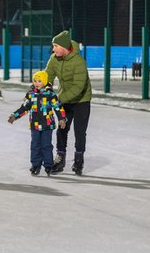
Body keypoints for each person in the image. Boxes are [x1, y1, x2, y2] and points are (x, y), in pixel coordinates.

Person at [45, 30, 92, 176]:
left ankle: (79, 160)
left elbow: (78, 87)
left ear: (64, 46)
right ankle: (60, 159)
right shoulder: (54, 59)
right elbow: (48, 75)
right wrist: (47, 86)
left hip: (81, 100)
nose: (53, 49)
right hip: (65, 99)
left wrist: (58, 99)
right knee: (62, 129)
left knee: (79, 132)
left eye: (55, 46)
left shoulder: (79, 61)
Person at [7, 71, 66, 176]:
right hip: (35, 125)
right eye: (35, 81)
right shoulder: (31, 94)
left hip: (47, 125)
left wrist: (62, 118)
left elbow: (57, 107)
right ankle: (35, 165)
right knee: (35, 145)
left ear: (44, 81)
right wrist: (15, 116)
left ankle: (48, 165)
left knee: (46, 145)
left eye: (39, 81)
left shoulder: (50, 94)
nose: (37, 83)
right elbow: (25, 108)